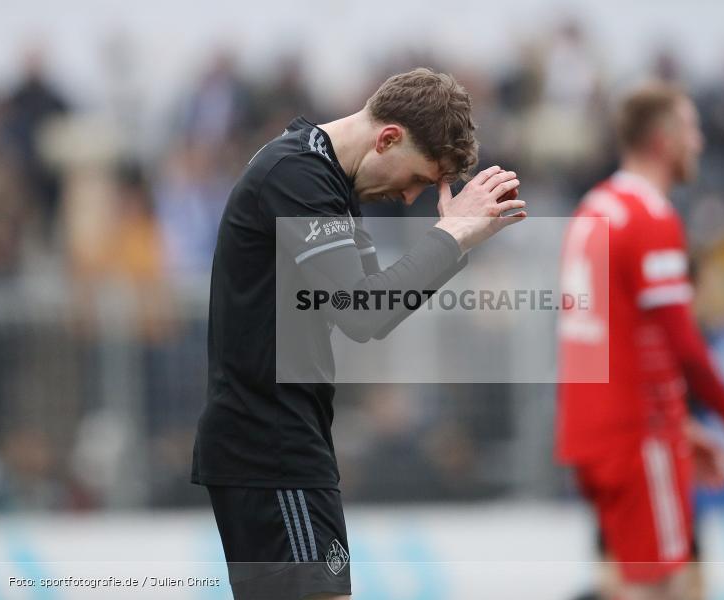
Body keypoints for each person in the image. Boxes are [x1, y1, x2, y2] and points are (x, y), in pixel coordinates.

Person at [191, 68, 526, 600]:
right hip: (269, 446)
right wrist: (449, 236)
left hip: (283, 443)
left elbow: (375, 311)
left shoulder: (326, 179)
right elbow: (363, 310)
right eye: (417, 178)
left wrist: (456, 242)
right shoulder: (297, 175)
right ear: (388, 138)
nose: (412, 197)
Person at [557, 81, 724, 600]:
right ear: (663, 140)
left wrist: (681, 426)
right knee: (660, 587)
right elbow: (685, 344)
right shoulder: (651, 217)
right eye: (691, 129)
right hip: (638, 435)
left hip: (590, 431)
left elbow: (607, 339)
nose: (698, 142)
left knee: (632, 581)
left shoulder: (591, 208)